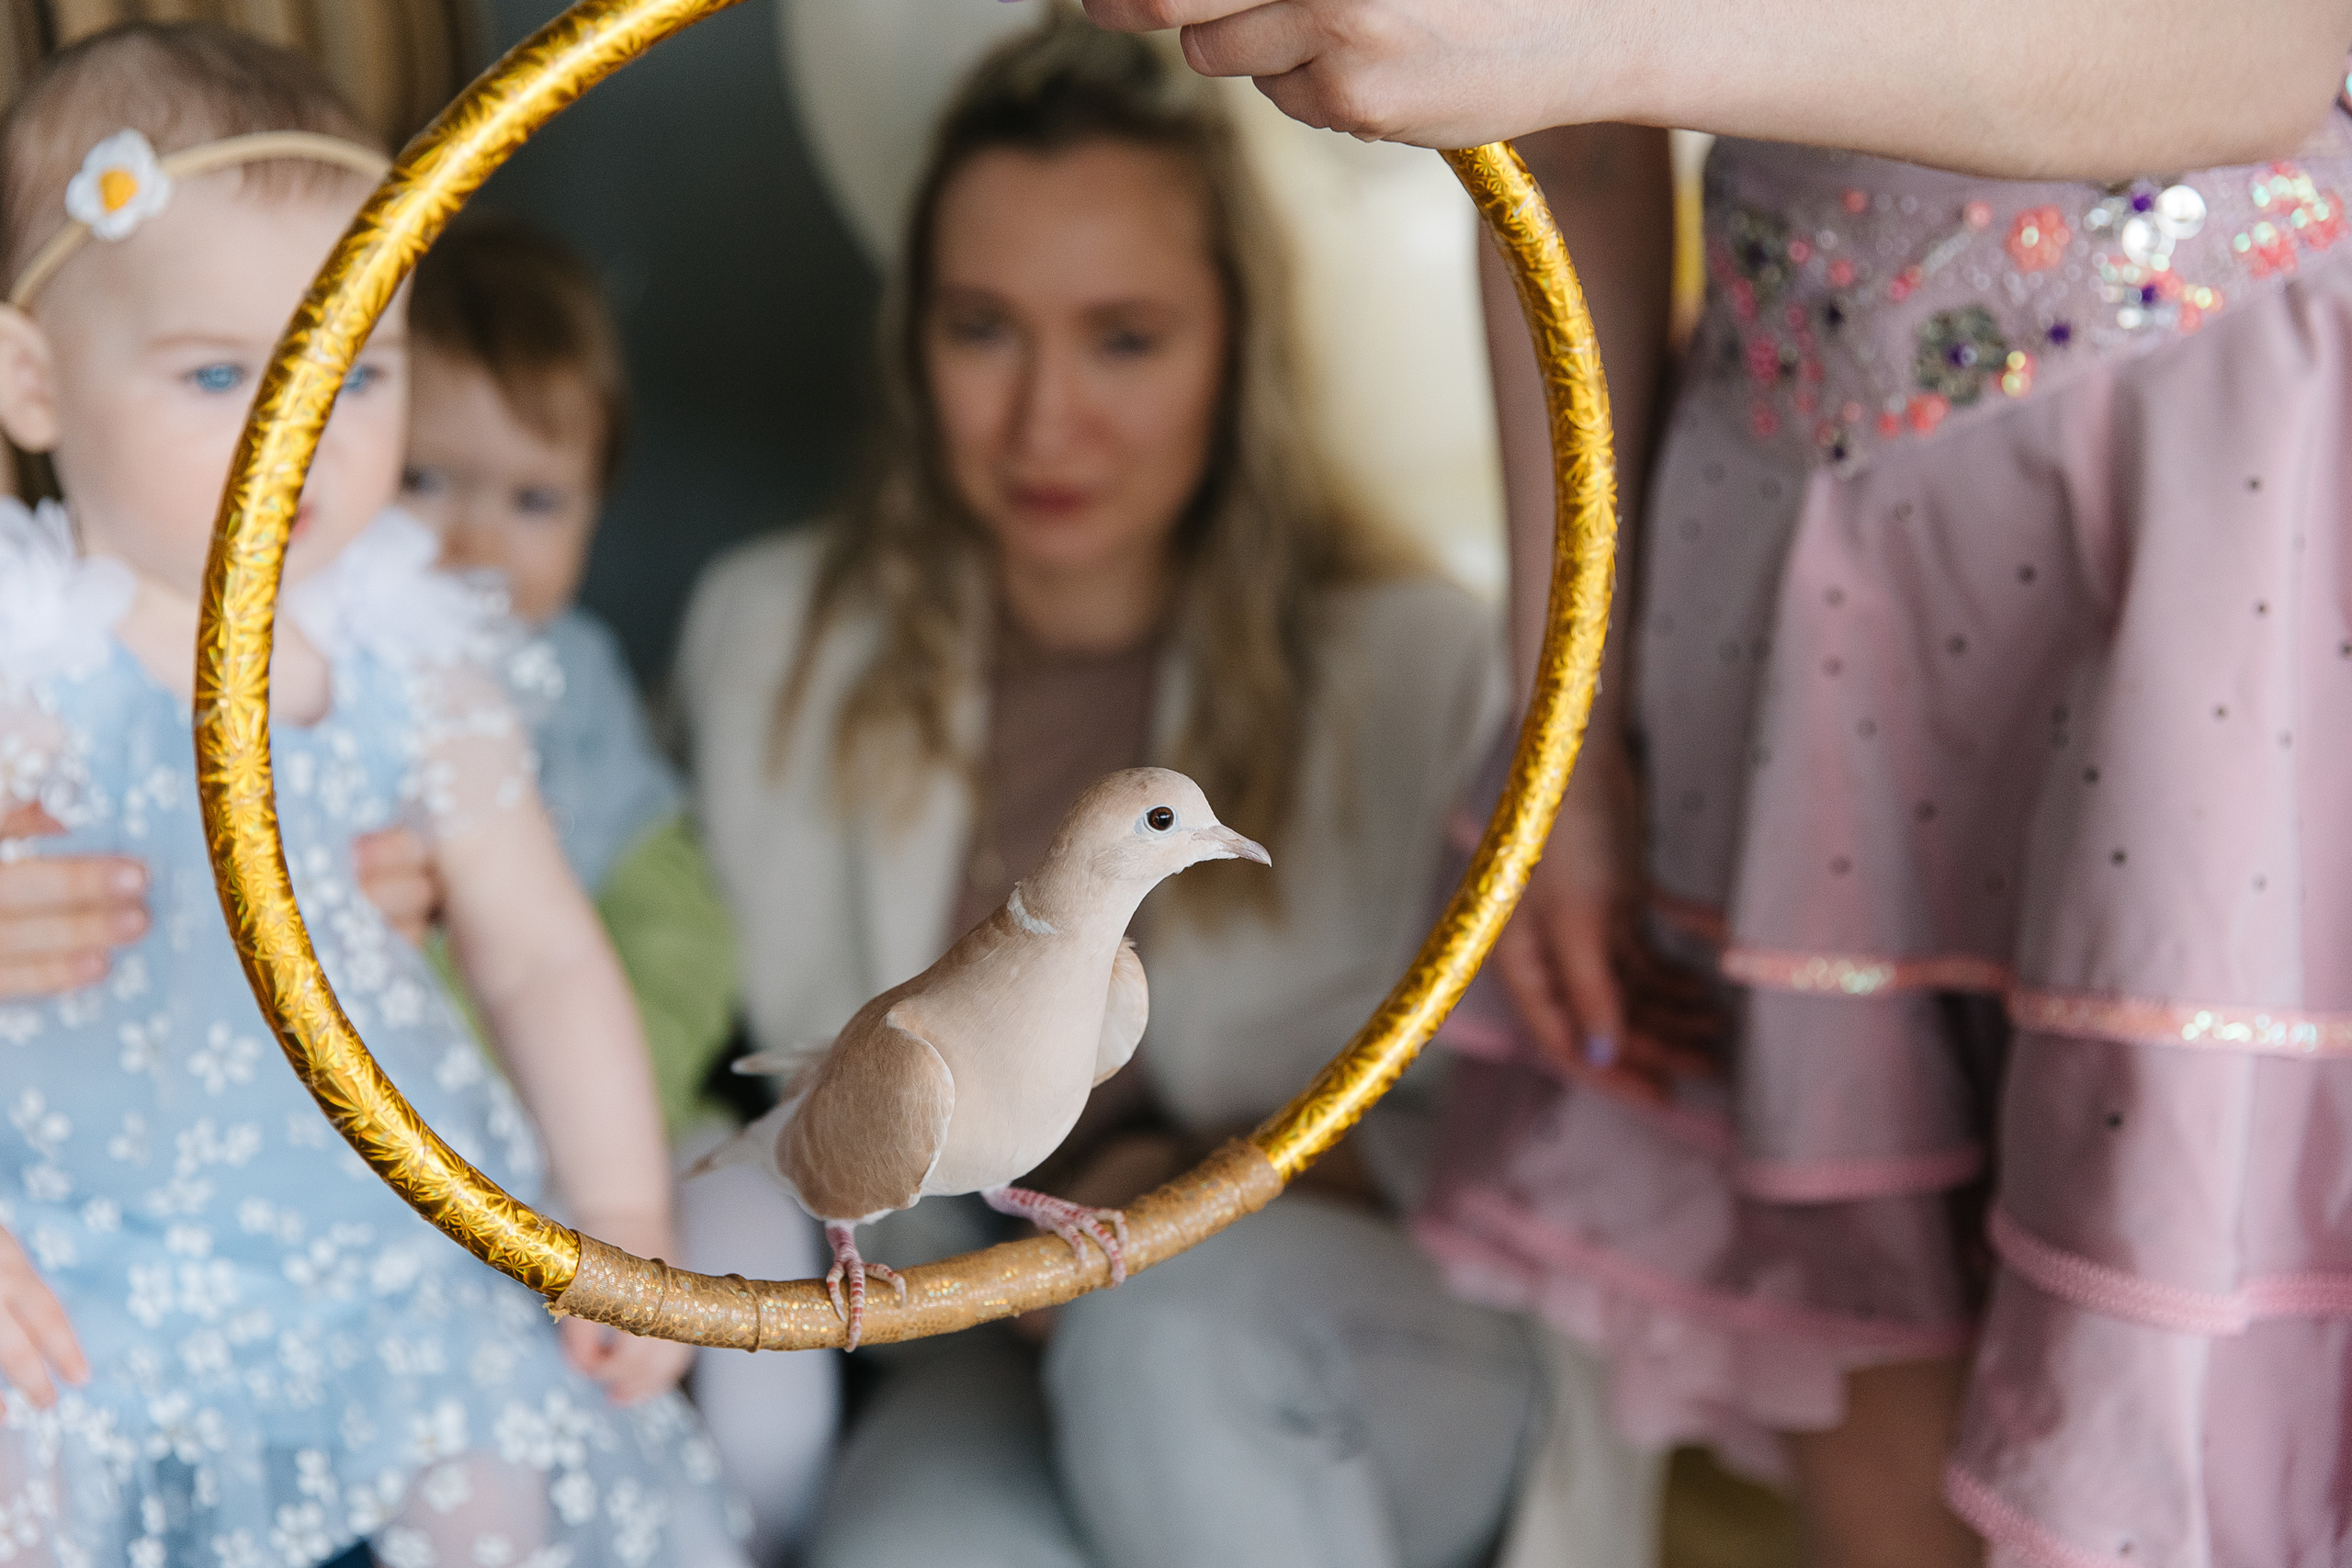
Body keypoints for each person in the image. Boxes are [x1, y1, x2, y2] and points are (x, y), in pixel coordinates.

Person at [1407, 51, 2352, 1568]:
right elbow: (1563, 153)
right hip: (1785, 565)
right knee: (1858, 1327)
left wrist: (1588, 20)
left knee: (2164, 1356)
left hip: (2210, 529)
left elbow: (2251, 51)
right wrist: (1565, 746)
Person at [675, 13, 1550, 1565]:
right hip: (977, 1323)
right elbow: (714, 1027)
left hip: (1327, 1324)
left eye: (1124, 335)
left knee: (1165, 1344)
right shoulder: (775, 643)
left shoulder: (1414, 663)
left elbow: (1513, 1115)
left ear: (1235, 337)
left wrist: (1178, 1187)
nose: (1044, 418)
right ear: (911, 337)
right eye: (983, 328)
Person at [0, 25, 742, 1565]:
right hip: (65, 1269)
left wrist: (620, 1215)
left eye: (354, 372)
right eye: (222, 376)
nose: (303, 440)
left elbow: (538, 948)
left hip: (373, 1260)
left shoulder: (414, 654)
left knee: (489, 1497)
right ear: (34, 381)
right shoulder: (23, 659)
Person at [398, 215, 834, 1567]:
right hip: (424, 1168)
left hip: (639, 1126)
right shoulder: (320, 686)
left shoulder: (573, 688)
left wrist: (610, 1123)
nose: (478, 542)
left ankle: (778, 1531)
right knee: (482, 1437)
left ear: (596, 506)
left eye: (537, 500)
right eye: (429, 481)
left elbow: (676, 924)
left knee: (759, 1263)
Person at [1078, 0, 2352, 170]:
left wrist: (1593, 29)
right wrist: (1562, 706)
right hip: (1743, 501)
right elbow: (1573, 145)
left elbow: (2282, 46)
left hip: (2200, 491)